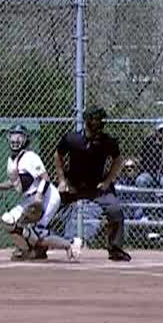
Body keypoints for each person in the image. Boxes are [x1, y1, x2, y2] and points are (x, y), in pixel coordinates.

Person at [0, 124, 79, 261]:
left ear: (25, 139)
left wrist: (39, 198)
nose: (15, 140)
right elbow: (15, 183)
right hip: (30, 198)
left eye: (19, 136)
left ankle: (69, 244)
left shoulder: (30, 157)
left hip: (48, 196)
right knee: (8, 220)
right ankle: (27, 249)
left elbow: (45, 179)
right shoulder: (11, 160)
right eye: (13, 136)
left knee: (38, 232)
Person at [55, 107, 131, 261]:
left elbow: (118, 160)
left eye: (99, 120)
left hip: (96, 187)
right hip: (74, 185)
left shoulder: (107, 141)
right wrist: (62, 181)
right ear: (87, 121)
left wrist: (107, 181)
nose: (97, 123)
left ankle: (115, 249)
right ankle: (37, 244)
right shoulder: (73, 139)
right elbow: (58, 156)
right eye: (94, 120)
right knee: (49, 204)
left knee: (115, 210)